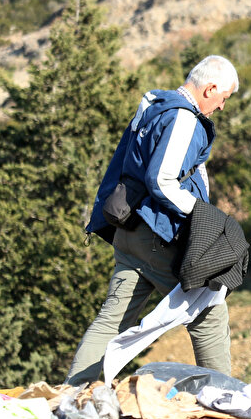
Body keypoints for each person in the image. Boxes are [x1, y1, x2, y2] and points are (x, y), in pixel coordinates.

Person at [66, 55, 238, 386]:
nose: (220, 108)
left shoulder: (153, 107)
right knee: (209, 312)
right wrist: (205, 217)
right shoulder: (184, 118)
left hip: (128, 232)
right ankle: (224, 399)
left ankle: (71, 394)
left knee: (111, 321)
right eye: (223, 99)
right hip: (157, 234)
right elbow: (162, 180)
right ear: (211, 88)